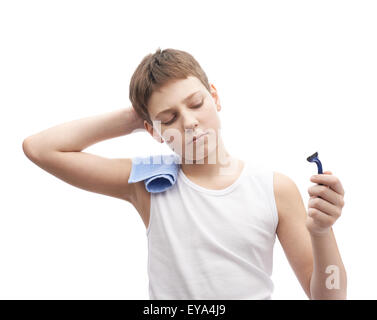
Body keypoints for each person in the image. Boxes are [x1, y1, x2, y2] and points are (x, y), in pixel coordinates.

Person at [22, 47, 347, 300]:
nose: (189, 122)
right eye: (170, 117)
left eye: (195, 103)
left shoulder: (274, 188)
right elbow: (40, 149)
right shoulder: (148, 183)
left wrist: (321, 233)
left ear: (215, 96)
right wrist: (135, 118)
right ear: (153, 130)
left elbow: (329, 294)